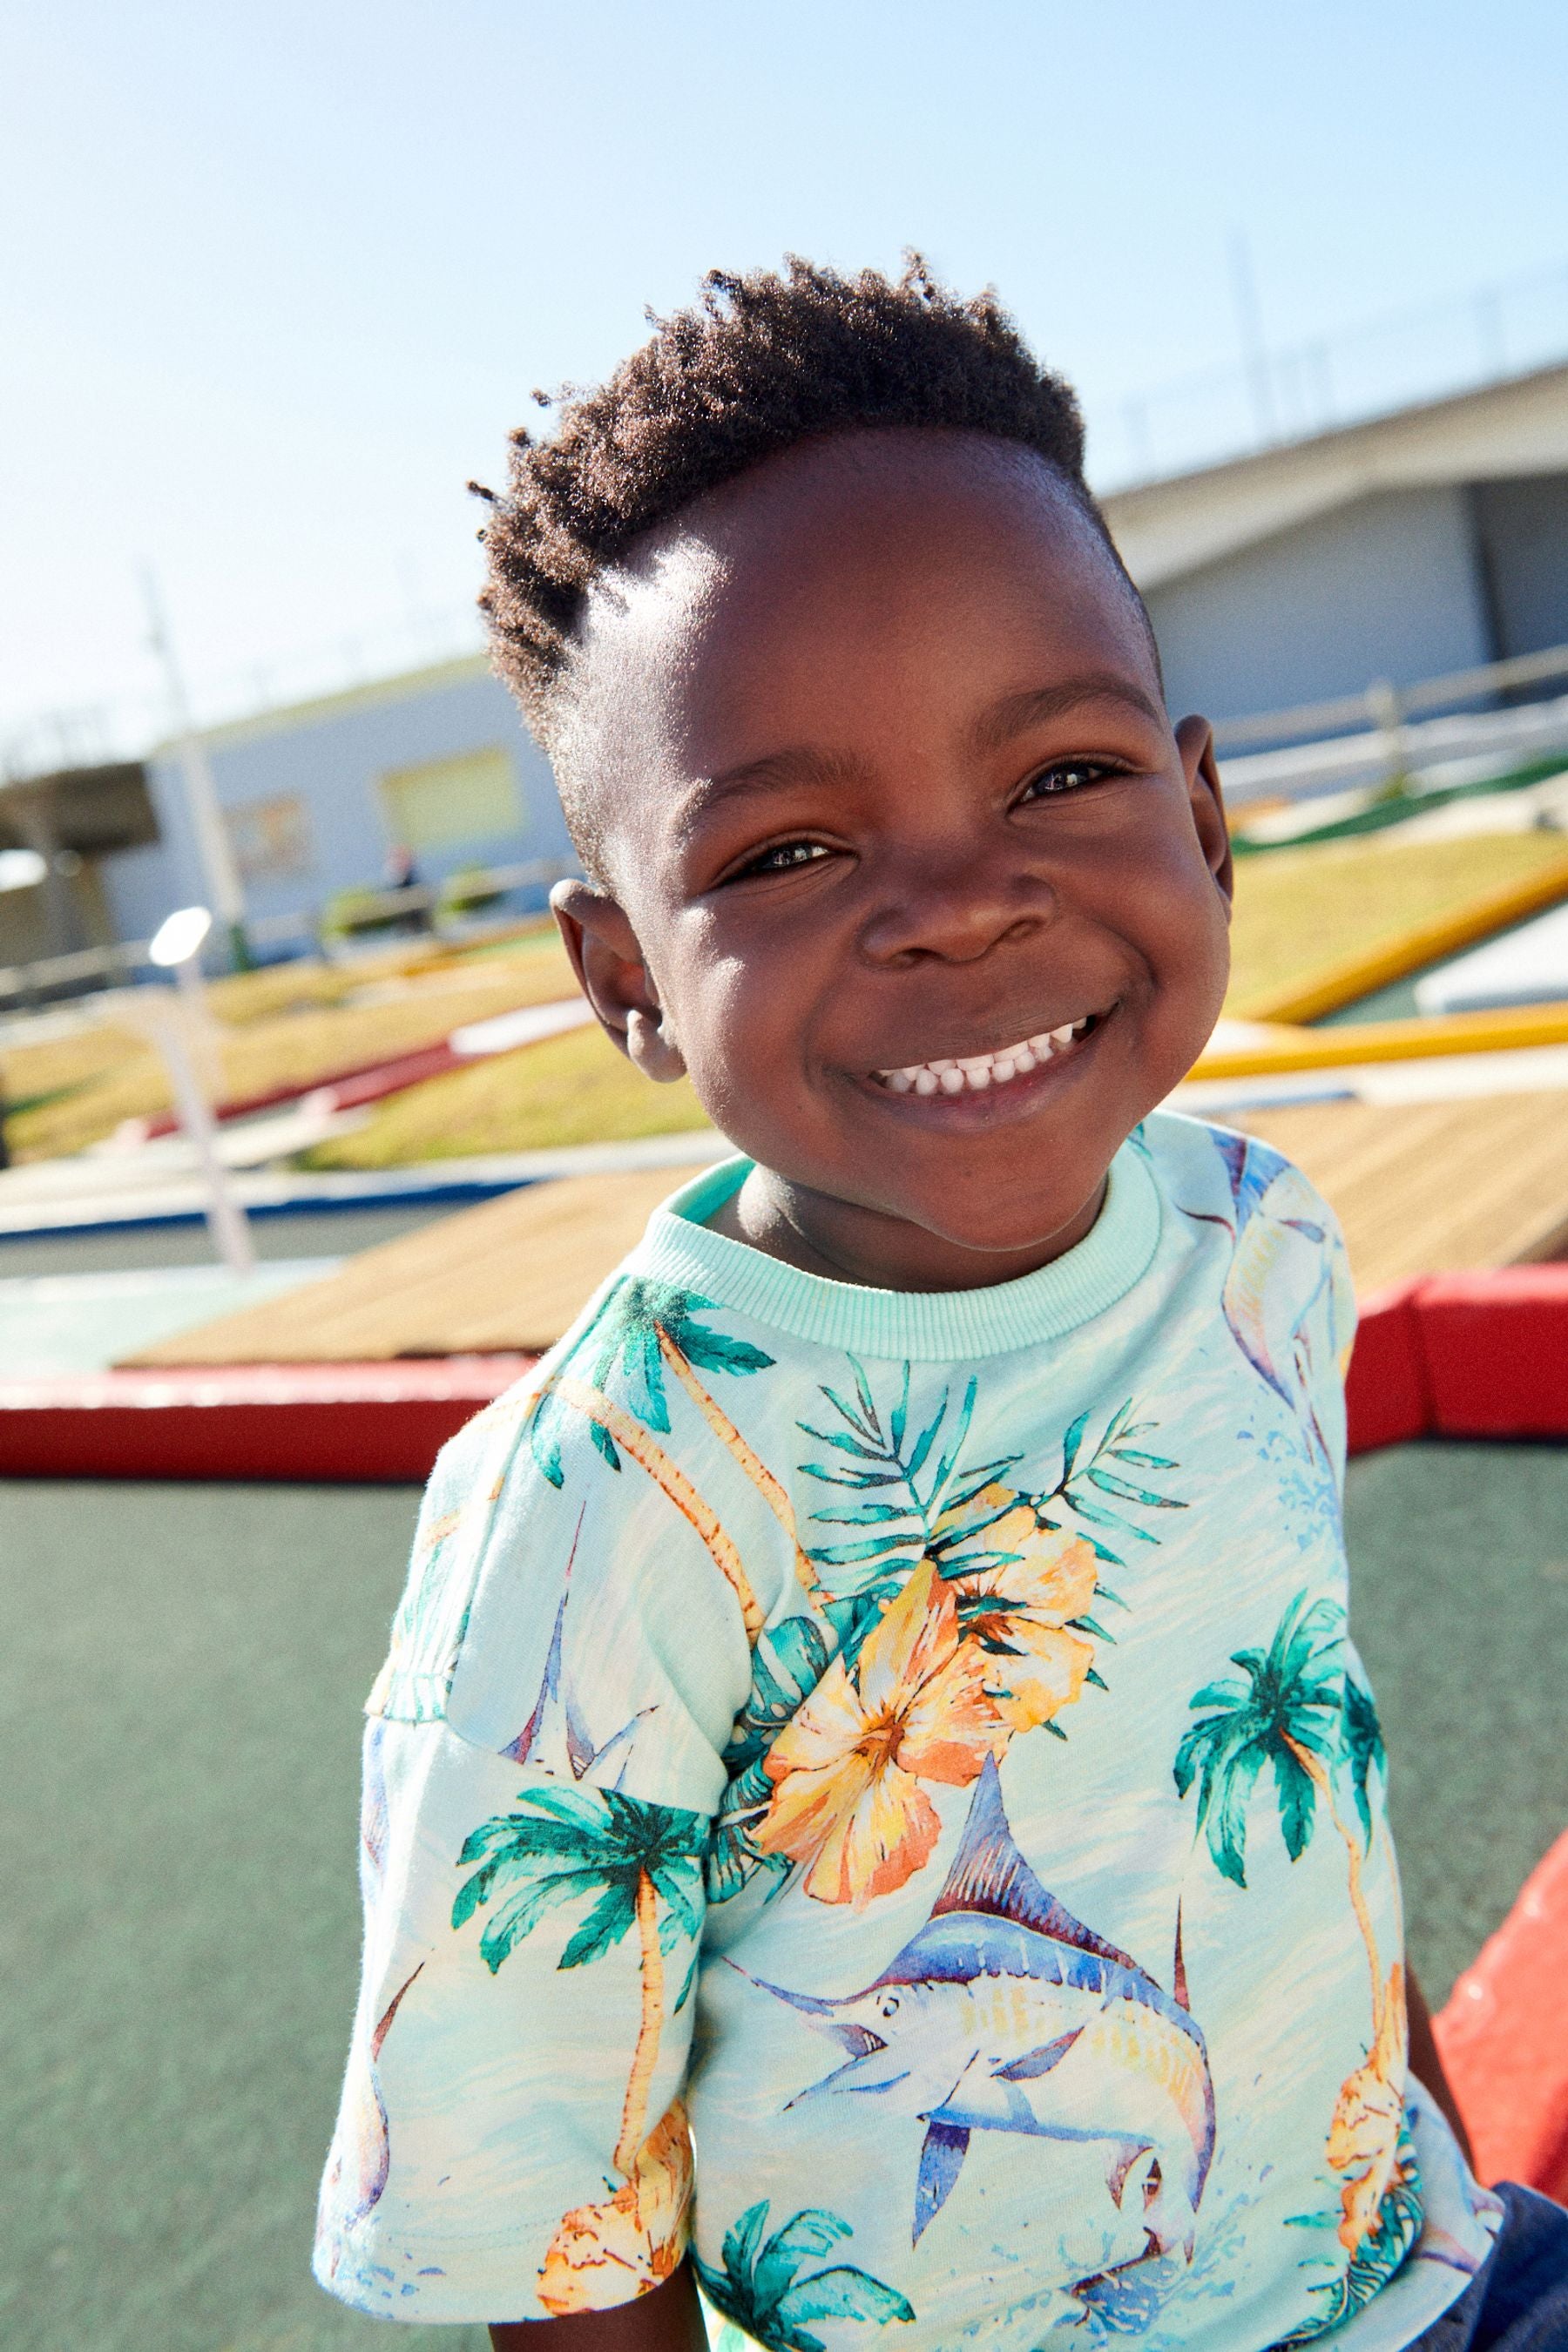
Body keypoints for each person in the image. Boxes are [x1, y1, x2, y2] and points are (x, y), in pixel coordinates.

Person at [314, 260, 1566, 2350]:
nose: (959, 898)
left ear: (1210, 817)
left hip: (1426, 2276)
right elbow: (559, 2229)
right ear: (624, 976)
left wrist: (1430, 2208)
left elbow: (1301, 1821)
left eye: (1061, 777)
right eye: (791, 848)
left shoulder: (1265, 1247)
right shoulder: (602, 1509)